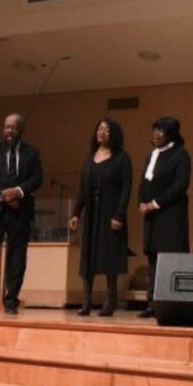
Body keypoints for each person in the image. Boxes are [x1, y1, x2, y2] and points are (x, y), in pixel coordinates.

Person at [0, 113, 43, 314]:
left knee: (17, 258)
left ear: (21, 129)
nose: (9, 131)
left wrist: (18, 192)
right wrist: (6, 196)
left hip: (20, 212)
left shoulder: (32, 153)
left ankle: (11, 300)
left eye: (13, 127)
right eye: (6, 127)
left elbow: (37, 179)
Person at [70, 118, 132, 316]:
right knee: (88, 257)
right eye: (99, 129)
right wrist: (76, 213)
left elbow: (126, 188)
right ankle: (86, 302)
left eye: (106, 129)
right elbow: (82, 188)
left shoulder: (122, 158)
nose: (102, 132)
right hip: (92, 215)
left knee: (109, 258)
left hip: (111, 214)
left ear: (114, 134)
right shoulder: (90, 158)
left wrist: (119, 214)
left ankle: (110, 301)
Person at [137, 116, 191, 318]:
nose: (157, 134)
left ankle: (169, 303)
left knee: (169, 258)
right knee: (152, 258)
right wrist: (141, 202)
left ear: (171, 134)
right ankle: (151, 302)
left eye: (162, 131)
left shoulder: (180, 155)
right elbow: (144, 182)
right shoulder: (152, 155)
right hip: (152, 216)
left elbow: (181, 185)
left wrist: (155, 203)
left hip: (170, 214)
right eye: (155, 130)